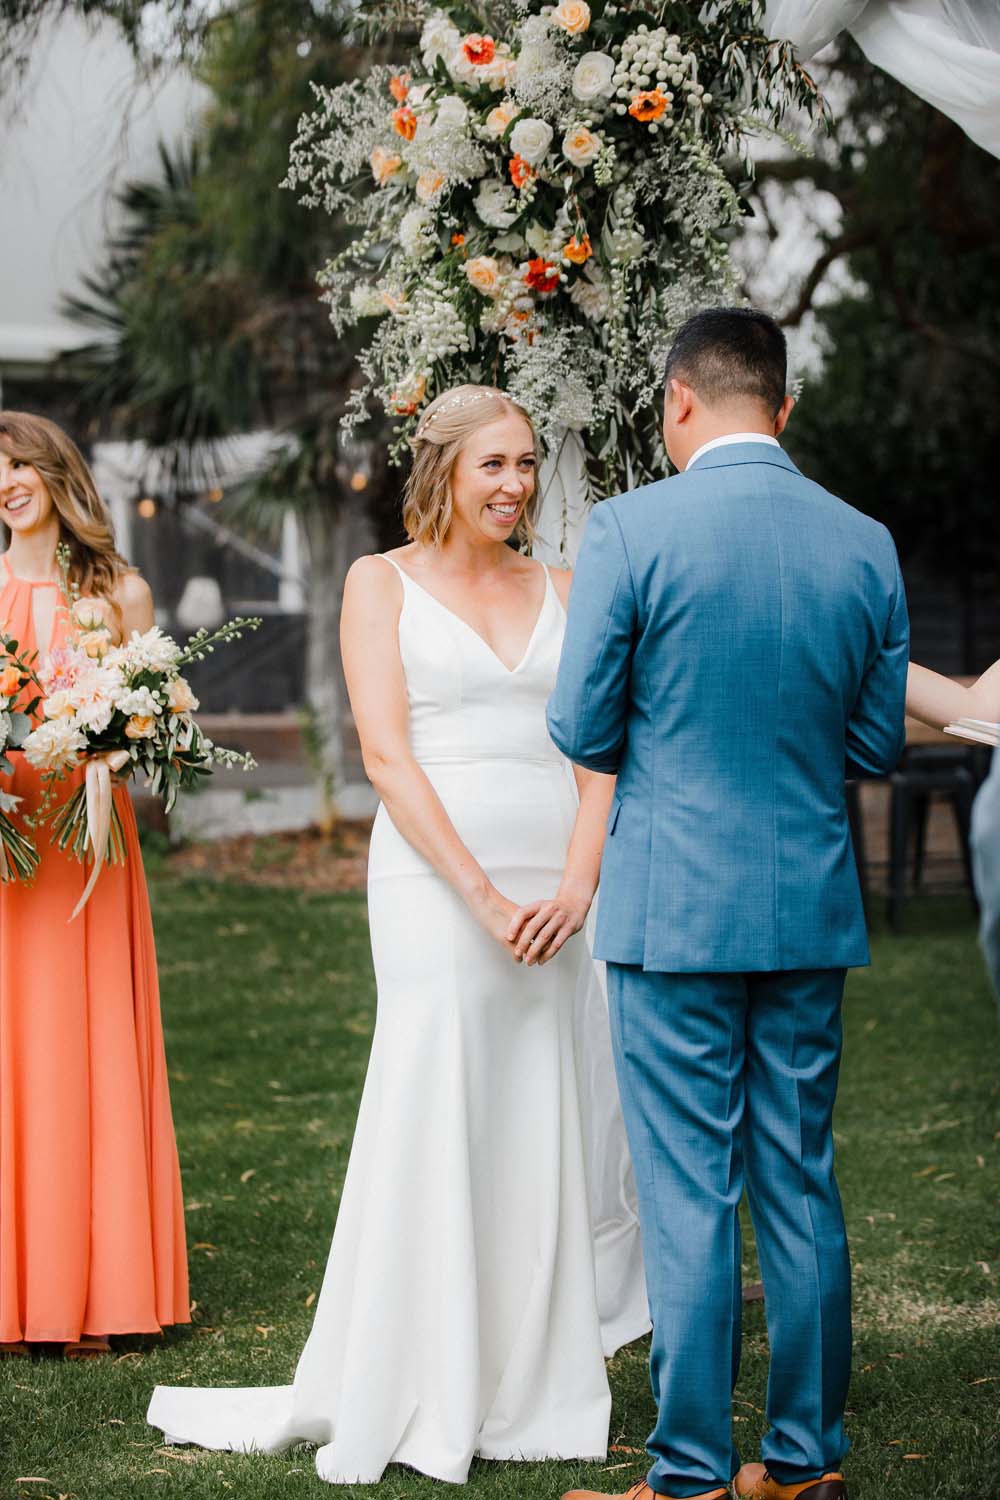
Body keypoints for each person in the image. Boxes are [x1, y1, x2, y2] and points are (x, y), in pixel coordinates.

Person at [147, 385, 649, 1483]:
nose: (515, 484)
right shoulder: (381, 584)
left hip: (559, 886)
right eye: (493, 466)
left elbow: (599, 754)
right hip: (435, 882)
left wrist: (577, 883)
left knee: (544, 1104)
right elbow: (385, 759)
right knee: (439, 1093)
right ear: (442, 470)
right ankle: (419, 1364)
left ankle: (528, 1373)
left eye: (525, 464)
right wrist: (479, 896)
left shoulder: (567, 587)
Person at [549, 308, 910, 1500]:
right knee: (798, 1180)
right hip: (804, 903)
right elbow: (869, 739)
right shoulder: (864, 542)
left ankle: (692, 1471)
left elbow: (582, 725)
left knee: (686, 1189)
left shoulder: (627, 529)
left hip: (668, 912)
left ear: (676, 404)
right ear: (784, 407)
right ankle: (804, 1463)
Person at [0, 411, 189, 1358]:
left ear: (52, 470)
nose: (6, 481)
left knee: (90, 1049)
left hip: (88, 847)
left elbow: (162, 730)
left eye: (17, 462)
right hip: (7, 859)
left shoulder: (120, 593)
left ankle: (102, 1284)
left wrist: (133, 736)